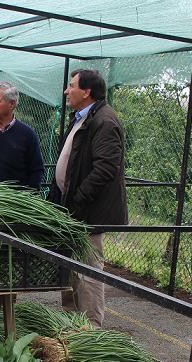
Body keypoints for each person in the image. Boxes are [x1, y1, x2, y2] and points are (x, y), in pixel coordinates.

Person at [54, 68, 128, 329]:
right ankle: (72, 322)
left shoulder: (104, 121)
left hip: (88, 213)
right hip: (73, 212)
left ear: (86, 92)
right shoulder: (82, 118)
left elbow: (106, 169)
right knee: (71, 268)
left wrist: (78, 200)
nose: (66, 91)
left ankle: (91, 329)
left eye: (71, 86)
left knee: (88, 270)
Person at [0, 81, 44, 190]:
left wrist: (30, 196)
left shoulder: (28, 134)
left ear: (12, 104)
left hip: (14, 202)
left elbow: (36, 169)